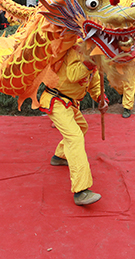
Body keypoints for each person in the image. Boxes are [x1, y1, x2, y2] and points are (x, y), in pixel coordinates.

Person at [39, 49, 108, 206]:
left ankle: (60, 156)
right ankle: (81, 190)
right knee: (75, 137)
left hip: (70, 103)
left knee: (82, 127)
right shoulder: (73, 51)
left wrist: (100, 99)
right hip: (56, 100)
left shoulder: (94, 59)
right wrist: (91, 62)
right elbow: (73, 74)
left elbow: (95, 84)